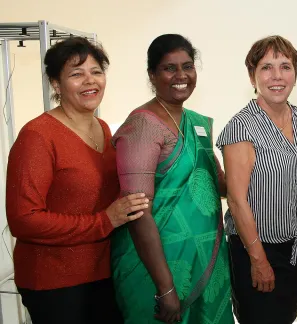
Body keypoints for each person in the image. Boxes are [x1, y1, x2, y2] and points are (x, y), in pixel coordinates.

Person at [5, 37, 148, 324]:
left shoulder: (104, 128)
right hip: (54, 281)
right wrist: (104, 221)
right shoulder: (38, 136)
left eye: (96, 71)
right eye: (76, 74)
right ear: (56, 84)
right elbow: (24, 219)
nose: (89, 81)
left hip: (104, 272)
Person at [110, 34, 233, 324]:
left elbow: (218, 183)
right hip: (158, 269)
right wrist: (165, 288)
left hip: (205, 258)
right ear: (152, 74)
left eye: (187, 66)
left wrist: (259, 161)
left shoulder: (198, 123)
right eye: (169, 68)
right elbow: (137, 211)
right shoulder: (142, 126)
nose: (181, 76)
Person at [216, 35, 297, 324]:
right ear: (253, 76)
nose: (277, 76)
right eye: (266, 67)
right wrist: (258, 260)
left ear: (295, 74)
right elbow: (237, 201)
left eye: (285, 66)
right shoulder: (241, 126)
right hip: (258, 250)